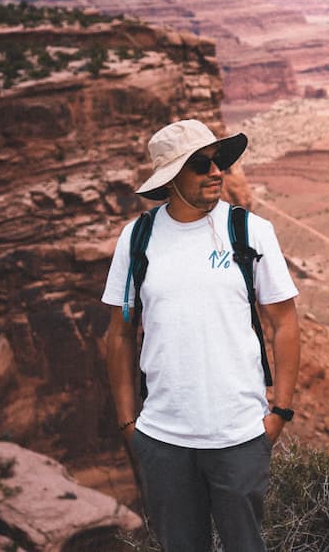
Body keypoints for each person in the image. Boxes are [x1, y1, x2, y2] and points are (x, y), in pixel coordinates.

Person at [103, 119, 300, 552]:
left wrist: (279, 413)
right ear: (171, 178)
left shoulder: (250, 231)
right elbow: (118, 333)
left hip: (239, 437)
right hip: (163, 441)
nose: (217, 172)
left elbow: (284, 323)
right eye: (201, 164)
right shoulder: (137, 239)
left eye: (219, 162)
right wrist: (127, 424)